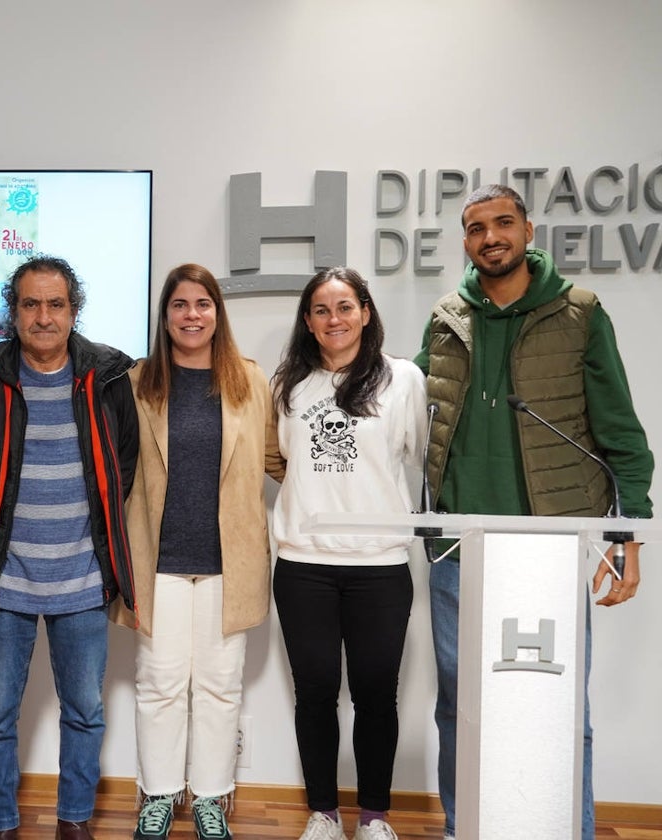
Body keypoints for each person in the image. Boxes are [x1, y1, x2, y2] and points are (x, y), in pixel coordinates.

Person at [415, 184, 654, 840]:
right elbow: (408, 418)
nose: (489, 236)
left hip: (547, 553)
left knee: (559, 712)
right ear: (464, 240)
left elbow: (621, 435)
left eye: (502, 223)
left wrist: (626, 534)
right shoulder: (444, 318)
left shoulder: (578, 313)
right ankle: (465, 829)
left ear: (527, 229)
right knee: (459, 710)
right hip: (457, 551)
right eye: (474, 227)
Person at [0, 255, 138, 840]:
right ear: (13, 311)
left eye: (56, 304)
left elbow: (122, 470)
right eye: (30, 304)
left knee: (85, 714)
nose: (43, 317)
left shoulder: (107, 379)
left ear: (74, 311)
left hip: (82, 583)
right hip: (4, 585)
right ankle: (0, 824)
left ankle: (73, 821)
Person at [110, 263, 284, 840]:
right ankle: (158, 794)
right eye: (180, 305)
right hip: (153, 559)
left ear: (217, 313)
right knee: (159, 681)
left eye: (202, 304)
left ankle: (211, 797)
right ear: (165, 315)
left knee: (218, 683)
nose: (192, 315)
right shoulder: (137, 382)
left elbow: (279, 461)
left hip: (227, 561)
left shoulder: (251, 381)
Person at [270, 268, 426, 840]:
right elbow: (283, 461)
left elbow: (415, 456)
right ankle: (323, 814)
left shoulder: (402, 379)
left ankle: (376, 817)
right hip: (303, 562)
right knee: (313, 694)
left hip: (380, 564)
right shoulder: (289, 382)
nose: (333, 319)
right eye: (320, 310)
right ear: (307, 321)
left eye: (344, 307)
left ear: (365, 311)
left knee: (375, 695)